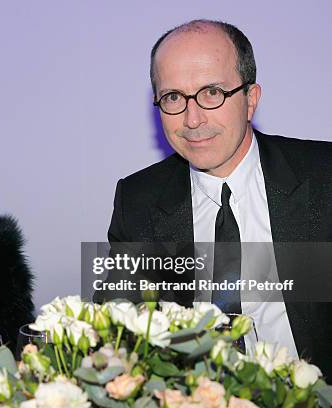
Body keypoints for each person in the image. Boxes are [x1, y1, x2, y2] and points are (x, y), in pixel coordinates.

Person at [107, 20, 332, 375]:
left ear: (250, 100)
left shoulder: (324, 179)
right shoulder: (138, 201)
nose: (192, 119)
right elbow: (117, 332)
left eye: (212, 92)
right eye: (173, 97)